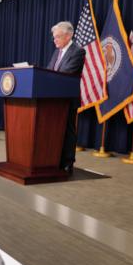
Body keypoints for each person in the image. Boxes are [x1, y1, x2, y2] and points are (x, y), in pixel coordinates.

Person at [46, 21, 85, 174]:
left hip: (67, 98)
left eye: (58, 37)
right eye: (54, 37)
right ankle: (54, 159)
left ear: (69, 36)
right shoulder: (57, 51)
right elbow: (49, 70)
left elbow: (67, 73)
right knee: (53, 129)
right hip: (53, 98)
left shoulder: (78, 51)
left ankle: (68, 161)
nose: (55, 40)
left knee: (68, 130)